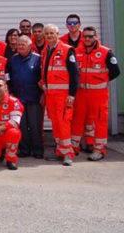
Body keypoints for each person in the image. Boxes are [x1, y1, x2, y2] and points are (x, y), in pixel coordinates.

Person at [71, 26, 120, 160]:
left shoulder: (105, 52)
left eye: (90, 36)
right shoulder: (76, 52)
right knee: (77, 119)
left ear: (95, 37)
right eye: (85, 36)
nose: (87, 39)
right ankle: (74, 147)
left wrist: (101, 80)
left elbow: (116, 71)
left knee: (99, 121)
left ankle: (99, 149)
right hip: (81, 92)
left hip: (98, 94)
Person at [40, 23, 78, 166]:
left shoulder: (67, 50)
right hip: (50, 95)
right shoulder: (45, 51)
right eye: (47, 33)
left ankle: (68, 153)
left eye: (52, 33)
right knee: (55, 123)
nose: (49, 36)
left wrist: (72, 94)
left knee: (63, 123)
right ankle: (60, 151)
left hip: (63, 95)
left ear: (57, 34)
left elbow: (75, 74)